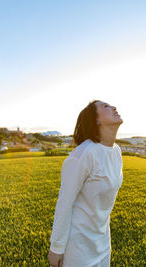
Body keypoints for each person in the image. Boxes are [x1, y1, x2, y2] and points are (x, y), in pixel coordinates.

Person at [48, 100, 124, 267]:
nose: (114, 107)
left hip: (102, 240)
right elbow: (64, 204)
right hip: (79, 245)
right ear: (96, 120)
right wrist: (56, 247)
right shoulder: (83, 155)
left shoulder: (116, 151)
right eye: (105, 106)